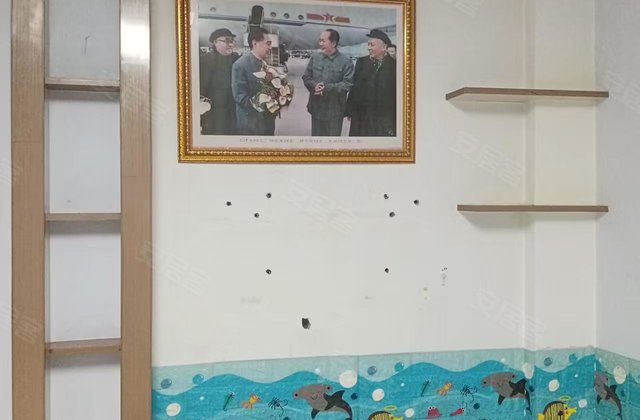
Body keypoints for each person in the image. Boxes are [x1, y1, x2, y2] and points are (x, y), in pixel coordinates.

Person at [302, 29, 354, 136]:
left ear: (333, 43)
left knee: (332, 142)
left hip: (334, 112)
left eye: (323, 41)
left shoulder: (346, 62)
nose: (320, 44)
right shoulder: (315, 58)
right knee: (316, 141)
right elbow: (306, 77)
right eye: (320, 40)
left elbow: (348, 84)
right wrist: (314, 86)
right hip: (317, 109)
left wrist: (326, 88)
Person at [346, 29, 396, 137]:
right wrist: (350, 109)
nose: (369, 48)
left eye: (372, 45)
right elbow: (354, 87)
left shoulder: (394, 66)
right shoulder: (361, 62)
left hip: (381, 120)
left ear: (384, 47)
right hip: (360, 117)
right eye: (368, 44)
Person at [231, 28, 277, 135]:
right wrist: (265, 104)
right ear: (255, 43)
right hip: (251, 125)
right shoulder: (240, 65)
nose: (270, 47)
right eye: (268, 43)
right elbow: (240, 97)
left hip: (267, 122)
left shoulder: (265, 64)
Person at [199, 28, 240, 135]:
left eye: (232, 41)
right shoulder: (205, 60)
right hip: (213, 114)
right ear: (215, 42)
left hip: (233, 112)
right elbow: (200, 89)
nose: (230, 44)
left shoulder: (236, 59)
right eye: (226, 41)